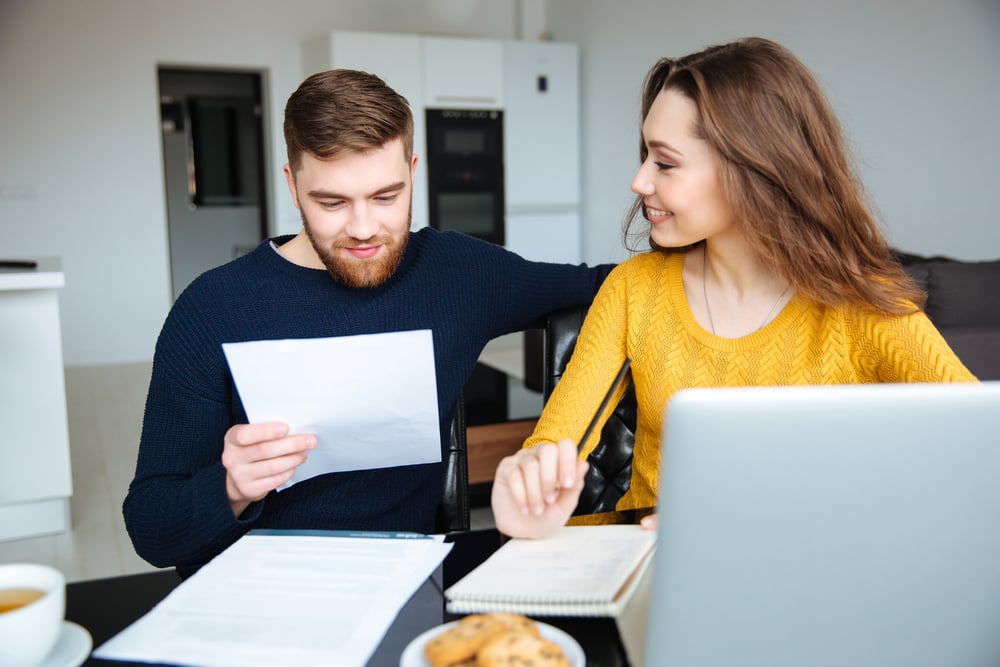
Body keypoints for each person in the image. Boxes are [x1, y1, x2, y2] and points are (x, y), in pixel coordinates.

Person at [123, 69, 613, 575]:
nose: (363, 229)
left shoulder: (457, 274)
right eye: (332, 202)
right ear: (293, 185)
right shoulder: (211, 308)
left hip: (400, 577)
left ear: (413, 173)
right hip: (254, 587)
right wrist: (229, 489)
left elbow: (608, 284)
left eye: (386, 197)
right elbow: (151, 529)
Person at [491, 37, 978, 540]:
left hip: (816, 566)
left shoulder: (863, 305)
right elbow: (552, 442)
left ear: (752, 169)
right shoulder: (633, 289)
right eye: (645, 156)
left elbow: (979, 448)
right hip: (650, 567)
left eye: (665, 162)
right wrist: (527, 481)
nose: (638, 181)